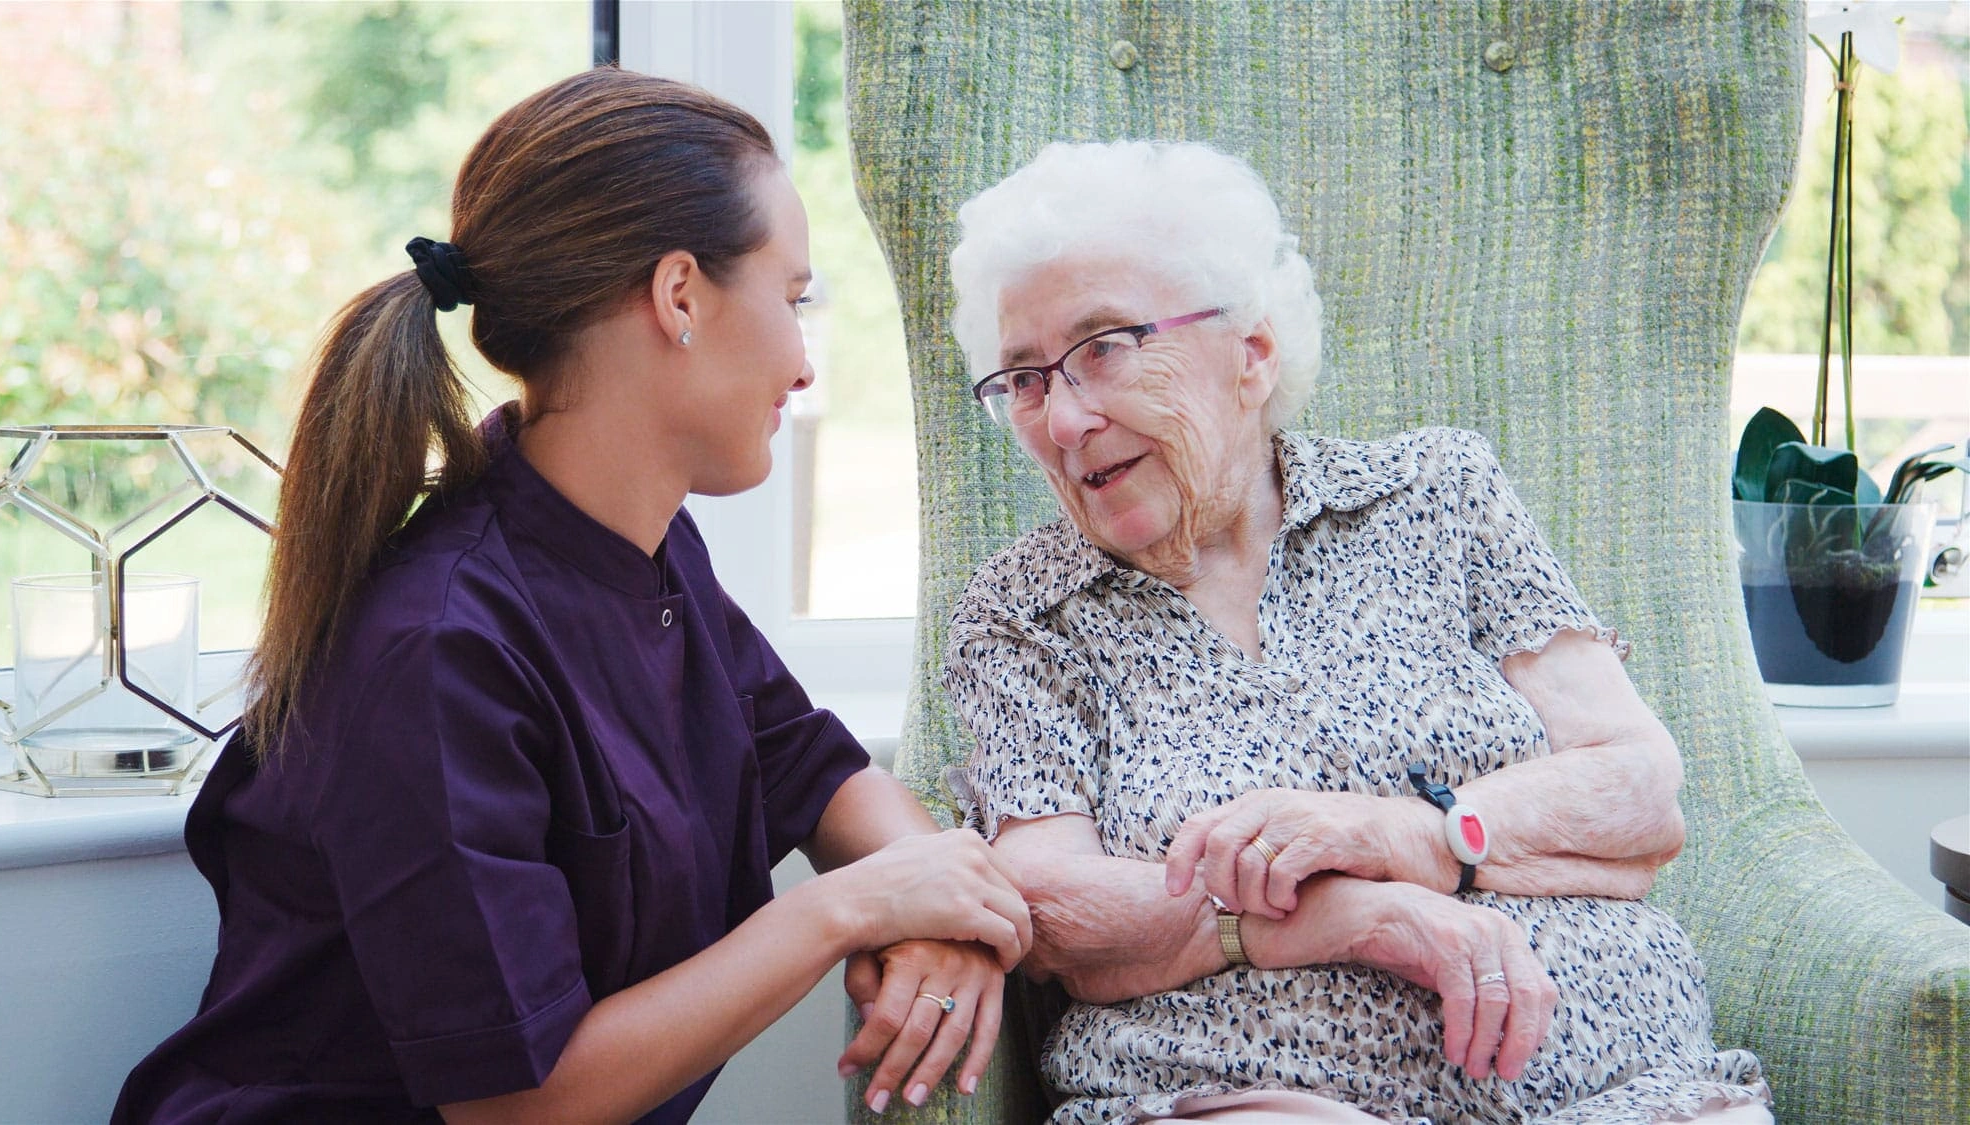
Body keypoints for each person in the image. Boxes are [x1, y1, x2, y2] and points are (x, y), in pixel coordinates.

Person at [113, 68, 1030, 1125]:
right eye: (793, 299)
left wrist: (936, 918)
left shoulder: (649, 548)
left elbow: (809, 769)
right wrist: (846, 911)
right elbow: (517, 1104)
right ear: (678, 295)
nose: (803, 364)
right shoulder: (439, 646)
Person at [940, 140, 1773, 1125]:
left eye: (1103, 347)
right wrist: (1350, 917)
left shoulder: (1440, 494)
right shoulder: (1022, 614)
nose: (1065, 419)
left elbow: (1636, 795)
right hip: (1247, 1088)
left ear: (1249, 354)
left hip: (1621, 1078)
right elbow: (1051, 910)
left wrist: (1406, 837)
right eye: (1024, 380)